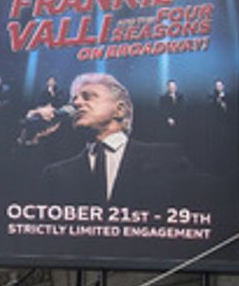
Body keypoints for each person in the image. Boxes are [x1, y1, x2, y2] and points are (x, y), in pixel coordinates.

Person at [39, 72, 200, 210]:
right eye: (74, 99)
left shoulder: (166, 158)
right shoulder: (55, 174)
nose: (76, 103)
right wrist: (30, 137)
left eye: (87, 97)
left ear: (120, 109)